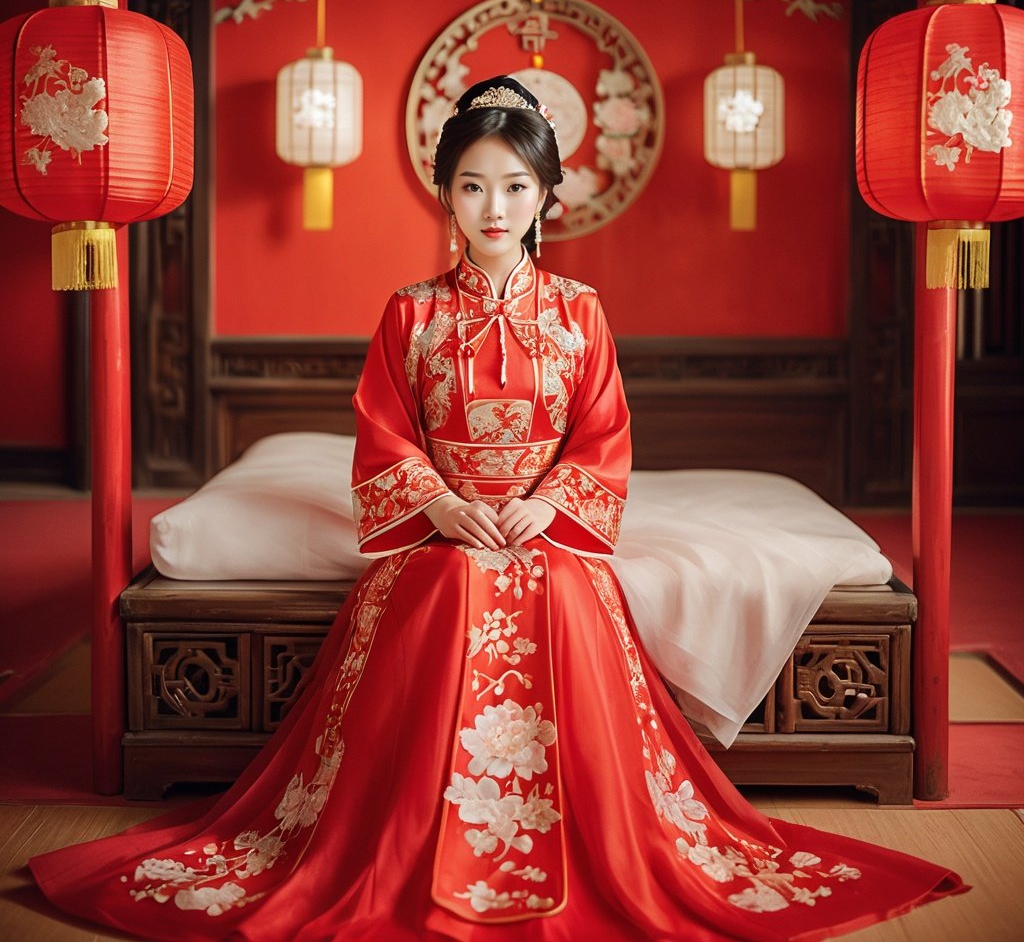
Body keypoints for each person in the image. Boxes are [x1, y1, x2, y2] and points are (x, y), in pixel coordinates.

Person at [30, 75, 966, 941]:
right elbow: (383, 434)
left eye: (516, 187)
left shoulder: (581, 311)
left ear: (546, 198)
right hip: (440, 526)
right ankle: (409, 834)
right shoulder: (410, 313)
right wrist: (437, 506)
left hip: (543, 527)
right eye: (473, 186)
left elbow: (603, 437)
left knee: (563, 592)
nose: (495, 208)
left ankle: (587, 832)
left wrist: (550, 505)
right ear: (445, 194)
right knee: (440, 592)